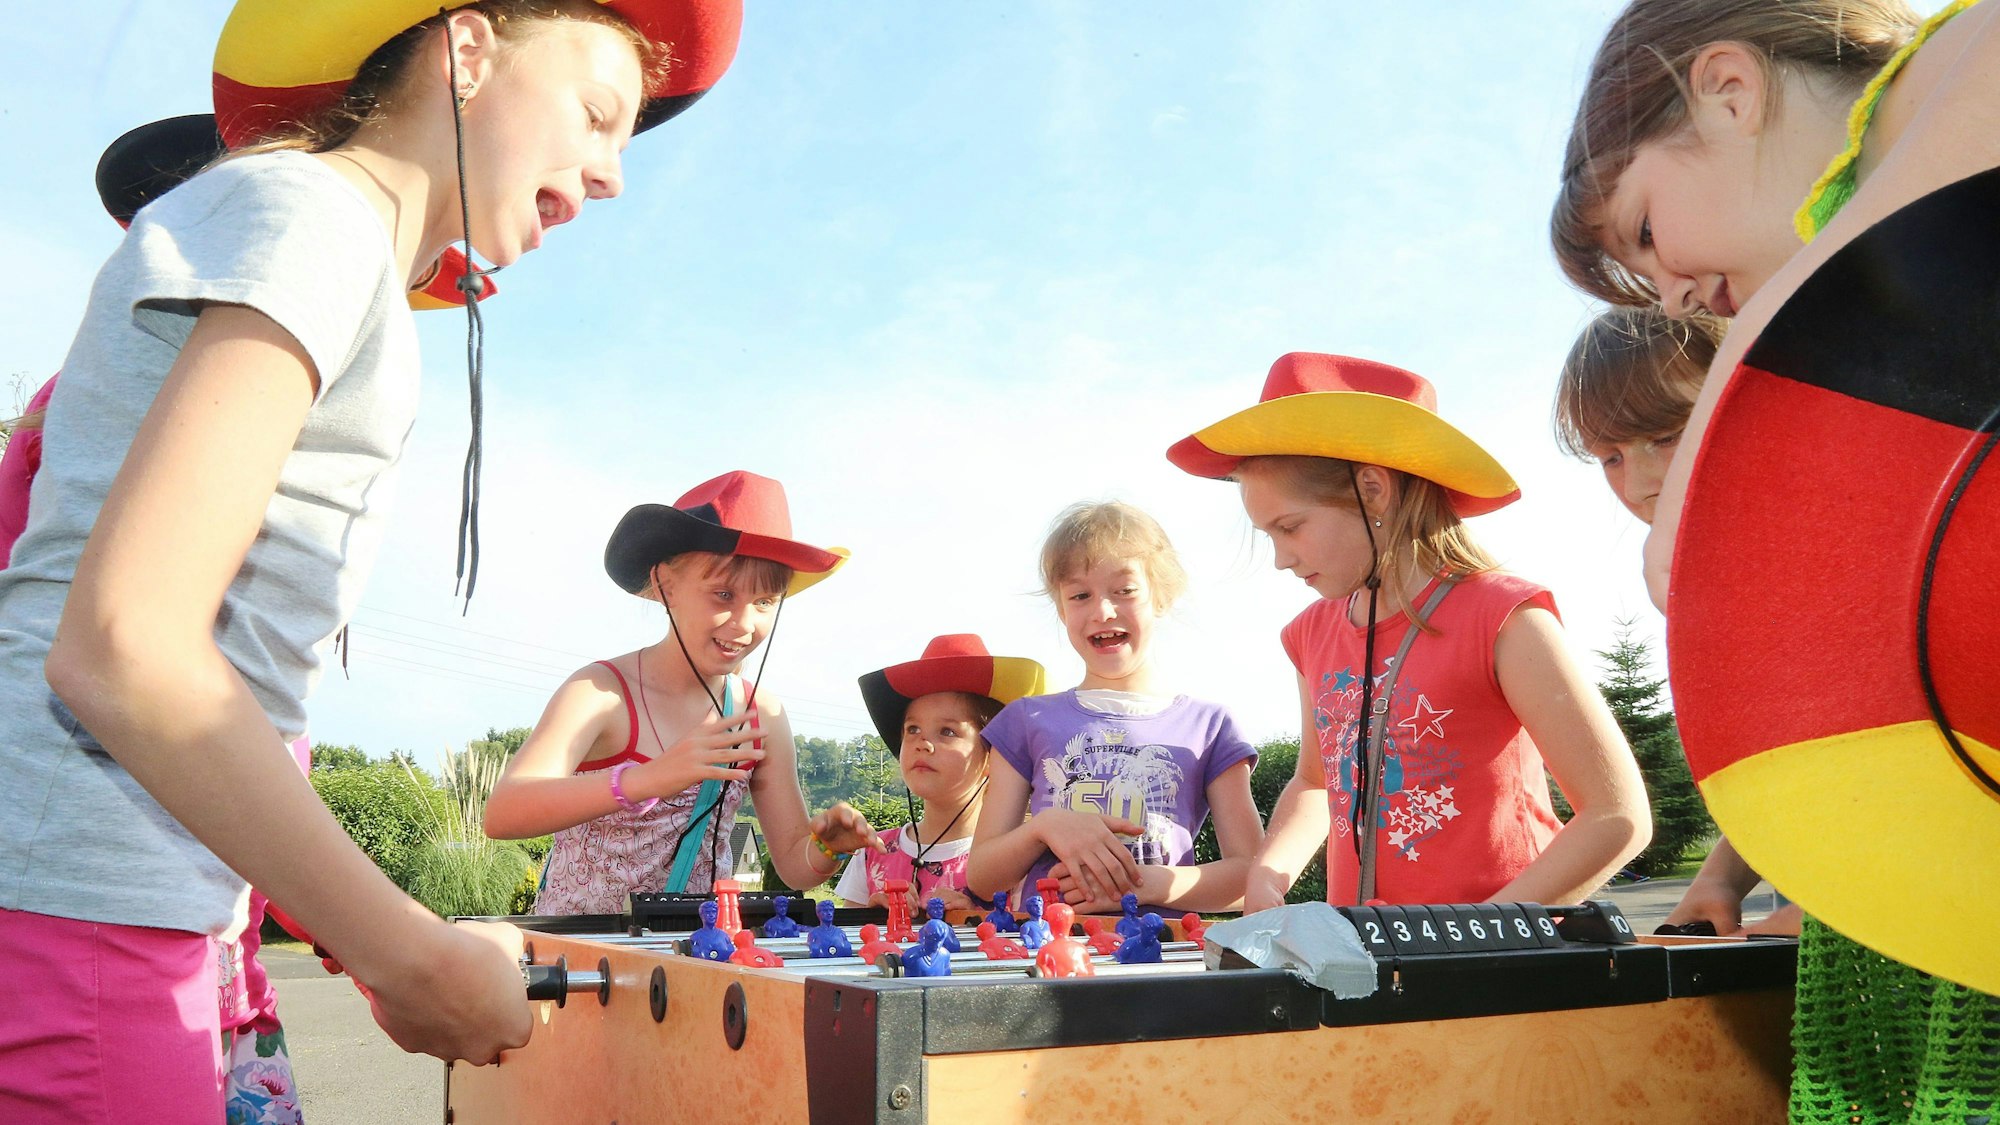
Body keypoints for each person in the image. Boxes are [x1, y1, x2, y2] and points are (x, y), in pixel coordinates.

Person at [0, 2, 739, 1119]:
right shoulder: (315, 215)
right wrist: (413, 957)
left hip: (146, 892)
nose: (611, 176)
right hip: (92, 892)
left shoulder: (328, 241)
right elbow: (125, 649)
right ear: (470, 48)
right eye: (597, 116)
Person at [1553, 2, 2000, 1120]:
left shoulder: (1962, 61)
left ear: (1728, 92)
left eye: (1643, 234)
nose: (1669, 296)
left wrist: (1702, 511)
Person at [1167, 352, 1651, 911]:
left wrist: (1481, 931)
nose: (1279, 558)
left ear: (1373, 490)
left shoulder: (1504, 616)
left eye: (1290, 527)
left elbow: (1617, 817)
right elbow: (1316, 783)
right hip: (1371, 964)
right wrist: (1269, 873)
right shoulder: (1309, 635)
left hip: (1500, 971)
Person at [485, 471, 884, 911]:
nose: (744, 624)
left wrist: (829, 848)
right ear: (665, 586)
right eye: (723, 594)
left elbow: (792, 864)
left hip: (698, 956)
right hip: (585, 962)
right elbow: (505, 812)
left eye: (766, 601)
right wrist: (648, 778)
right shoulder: (600, 691)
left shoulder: (761, 714)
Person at [1554, 307, 1802, 939]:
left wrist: (1831, 904)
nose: (1639, 484)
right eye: (1608, 457)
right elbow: (1791, 764)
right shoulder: (1697, 573)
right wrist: (1721, 879)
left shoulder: (1830, 547)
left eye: (1665, 436)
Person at [965, 502, 1265, 916]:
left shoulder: (1211, 727)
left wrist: (1144, 885)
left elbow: (1252, 877)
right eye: (1080, 595)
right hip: (1046, 960)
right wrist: (1045, 827)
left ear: (1161, 597)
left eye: (1124, 591)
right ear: (1061, 609)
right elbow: (982, 877)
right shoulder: (1022, 721)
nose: (1103, 611)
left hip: (1159, 966)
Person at [835, 633, 1045, 912]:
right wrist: (870, 919)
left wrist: (975, 920)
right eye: (912, 729)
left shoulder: (1018, 859)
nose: (923, 743)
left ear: (993, 757)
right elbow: (846, 949)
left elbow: (1032, 945)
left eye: (947, 731)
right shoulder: (872, 853)